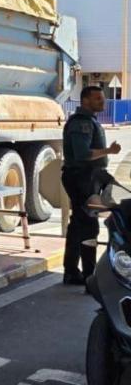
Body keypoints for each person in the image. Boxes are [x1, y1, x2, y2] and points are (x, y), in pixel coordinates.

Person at [61, 85, 122, 286]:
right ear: (85, 101)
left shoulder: (88, 121)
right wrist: (109, 151)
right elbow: (83, 154)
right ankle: (88, 276)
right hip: (82, 178)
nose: (102, 103)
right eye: (98, 99)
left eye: (102, 99)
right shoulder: (81, 124)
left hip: (87, 178)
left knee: (80, 224)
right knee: (87, 225)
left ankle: (75, 272)